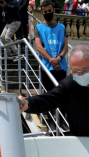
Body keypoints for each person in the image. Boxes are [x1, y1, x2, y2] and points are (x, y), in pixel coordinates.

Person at [34, 0, 68, 128]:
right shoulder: (38, 28)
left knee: (62, 94)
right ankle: (50, 120)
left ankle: (62, 120)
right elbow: (39, 47)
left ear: (53, 10)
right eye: (45, 12)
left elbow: (65, 46)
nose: (48, 13)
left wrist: (58, 58)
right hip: (46, 67)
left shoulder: (62, 27)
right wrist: (51, 60)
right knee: (48, 94)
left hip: (61, 66)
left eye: (50, 11)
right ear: (42, 12)